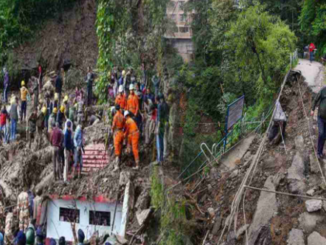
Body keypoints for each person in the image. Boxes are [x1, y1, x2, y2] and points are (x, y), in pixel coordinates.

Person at [311, 86, 326, 159]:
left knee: (324, 136)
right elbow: (316, 99)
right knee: (321, 133)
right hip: (320, 117)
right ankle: (318, 152)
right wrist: (312, 109)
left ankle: (320, 152)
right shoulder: (323, 90)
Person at [155, 94, 169, 164]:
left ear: (160, 99)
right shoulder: (167, 105)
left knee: (159, 142)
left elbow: (159, 118)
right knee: (164, 140)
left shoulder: (160, 106)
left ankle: (159, 159)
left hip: (160, 124)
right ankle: (162, 157)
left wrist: (157, 128)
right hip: (165, 123)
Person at [112, 104, 125, 172]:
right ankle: (120, 162)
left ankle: (117, 166)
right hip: (122, 133)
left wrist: (112, 130)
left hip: (117, 133)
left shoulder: (115, 116)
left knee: (117, 149)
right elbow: (124, 125)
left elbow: (113, 125)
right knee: (120, 148)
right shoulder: (122, 116)